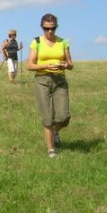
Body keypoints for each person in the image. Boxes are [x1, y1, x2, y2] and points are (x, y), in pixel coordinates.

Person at [27, 13, 73, 159]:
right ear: (42, 27)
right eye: (46, 28)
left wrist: (65, 65)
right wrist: (46, 66)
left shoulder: (63, 42)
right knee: (48, 118)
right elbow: (30, 65)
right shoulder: (36, 42)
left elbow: (71, 64)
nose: (50, 31)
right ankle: (51, 150)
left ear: (56, 27)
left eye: (52, 28)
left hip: (60, 80)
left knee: (64, 117)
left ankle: (56, 131)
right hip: (42, 80)